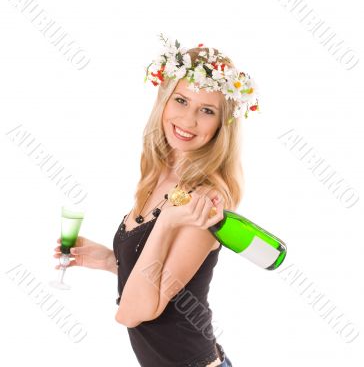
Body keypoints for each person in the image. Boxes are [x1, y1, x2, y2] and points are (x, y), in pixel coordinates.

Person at [53, 34, 259, 366]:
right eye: (180, 101)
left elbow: (133, 312)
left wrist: (166, 223)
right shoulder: (159, 173)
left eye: (206, 110)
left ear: (223, 123)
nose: (188, 120)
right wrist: (108, 260)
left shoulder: (204, 199)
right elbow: (164, 280)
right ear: (163, 100)